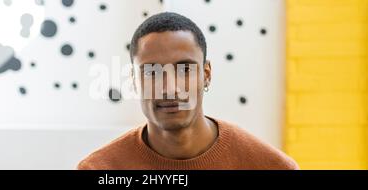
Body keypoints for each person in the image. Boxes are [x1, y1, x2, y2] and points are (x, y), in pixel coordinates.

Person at [77, 12, 298, 170]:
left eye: (185, 69)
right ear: (134, 81)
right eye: (151, 72)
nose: (170, 88)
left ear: (206, 74)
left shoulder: (271, 166)